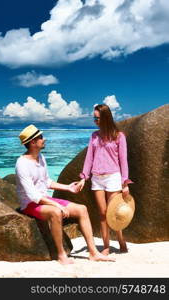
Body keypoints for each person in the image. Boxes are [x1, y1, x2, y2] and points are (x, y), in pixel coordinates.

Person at [15, 124, 115, 265]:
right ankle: (61, 255)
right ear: (32, 142)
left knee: (82, 209)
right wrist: (56, 204)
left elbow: (47, 182)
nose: (44, 139)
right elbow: (32, 195)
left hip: (44, 200)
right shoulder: (22, 164)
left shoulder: (41, 157)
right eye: (41, 137)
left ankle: (93, 253)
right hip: (30, 204)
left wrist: (68, 188)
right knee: (56, 212)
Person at [77, 104, 133, 255]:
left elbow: (123, 161)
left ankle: (121, 240)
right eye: (94, 118)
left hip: (113, 177)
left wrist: (125, 183)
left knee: (113, 213)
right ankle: (106, 246)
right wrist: (84, 177)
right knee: (102, 214)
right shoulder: (94, 136)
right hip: (97, 179)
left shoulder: (119, 136)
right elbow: (89, 158)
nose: (95, 120)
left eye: (97, 118)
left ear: (105, 117)